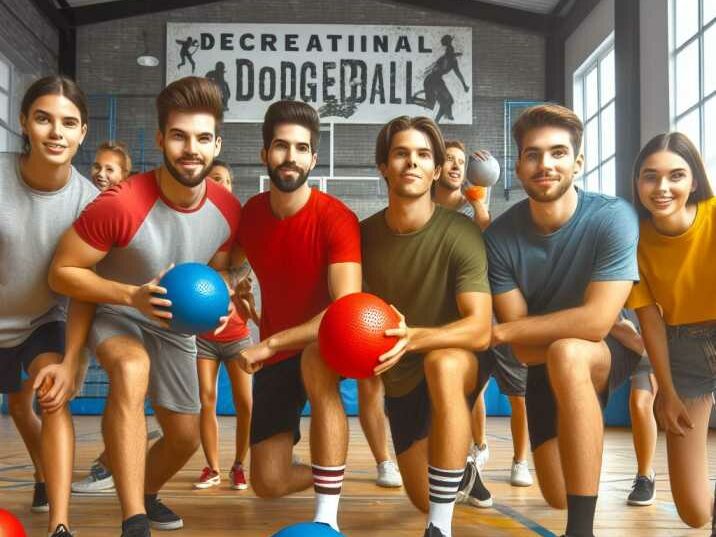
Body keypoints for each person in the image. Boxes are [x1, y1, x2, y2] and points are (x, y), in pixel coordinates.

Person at [49, 76, 238, 537]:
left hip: (174, 324)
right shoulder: (121, 204)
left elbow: (228, 268)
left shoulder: (229, 210)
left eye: (201, 138)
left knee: (185, 438)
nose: (190, 149)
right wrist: (130, 295)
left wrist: (226, 293)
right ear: (160, 139)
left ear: (216, 144)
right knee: (131, 370)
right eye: (178, 136)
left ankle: (146, 492)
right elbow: (63, 272)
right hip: (118, 308)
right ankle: (133, 519)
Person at [485, 104, 640, 537]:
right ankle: (574, 505)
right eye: (533, 154)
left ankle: (581, 531)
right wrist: (516, 333)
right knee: (556, 493)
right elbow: (523, 349)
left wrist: (508, 329)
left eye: (557, 153)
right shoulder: (499, 238)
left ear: (578, 161)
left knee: (570, 352)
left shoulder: (612, 217)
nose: (545, 164)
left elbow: (595, 324)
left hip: (612, 349)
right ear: (517, 166)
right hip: (541, 359)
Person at [361, 115, 493, 537]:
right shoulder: (362, 236)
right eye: (401, 153)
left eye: (422, 155)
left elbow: (479, 328)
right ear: (384, 166)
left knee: (443, 364)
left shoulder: (461, 232)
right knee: (421, 494)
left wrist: (416, 337)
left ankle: (439, 528)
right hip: (400, 378)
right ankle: (463, 474)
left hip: (458, 355)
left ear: (436, 170)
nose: (411, 163)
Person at [0, 75, 97, 537]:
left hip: (44, 319)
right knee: (19, 406)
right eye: (43, 119)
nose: (56, 132)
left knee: (52, 398)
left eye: (68, 123)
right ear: (24, 123)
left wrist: (73, 360)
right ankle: (41, 474)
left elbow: (83, 289)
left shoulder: (90, 203)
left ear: (82, 132)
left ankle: (60, 524)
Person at [625, 132, 716, 531]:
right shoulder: (632, 238)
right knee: (694, 512)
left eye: (676, 176)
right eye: (651, 177)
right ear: (637, 183)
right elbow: (650, 321)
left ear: (694, 181)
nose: (662, 188)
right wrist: (668, 392)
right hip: (683, 349)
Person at [433, 140, 532, 493]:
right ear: (436, 167)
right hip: (451, 311)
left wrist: (479, 202)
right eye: (449, 160)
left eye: (461, 161)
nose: (456, 166)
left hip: (493, 308)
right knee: (468, 391)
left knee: (518, 391)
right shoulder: (426, 209)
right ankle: (478, 449)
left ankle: (521, 460)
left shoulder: (473, 206)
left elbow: (489, 239)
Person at [192, 160, 254, 491]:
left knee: (246, 403)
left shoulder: (240, 230)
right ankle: (212, 467)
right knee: (207, 399)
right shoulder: (195, 228)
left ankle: (239, 465)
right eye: (217, 178)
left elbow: (241, 277)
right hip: (203, 337)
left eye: (229, 180)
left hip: (237, 336)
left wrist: (232, 285)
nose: (224, 184)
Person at [607, 310, 658, 506]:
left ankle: (645, 476)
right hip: (613, 339)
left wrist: (655, 356)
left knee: (640, 402)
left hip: (651, 342)